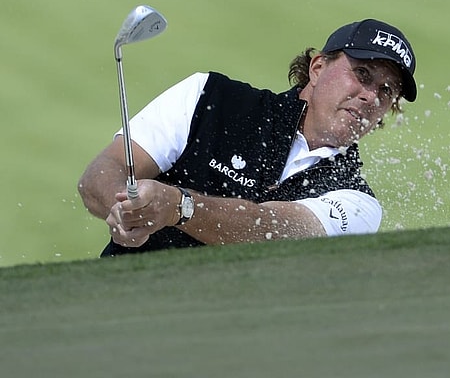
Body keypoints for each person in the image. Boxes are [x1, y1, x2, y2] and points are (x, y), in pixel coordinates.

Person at [77, 18, 418, 256]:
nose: (370, 96)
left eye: (386, 91)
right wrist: (122, 208)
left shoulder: (358, 202)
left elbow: (273, 232)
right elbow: (103, 172)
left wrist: (179, 206)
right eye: (362, 74)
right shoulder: (209, 97)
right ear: (317, 68)